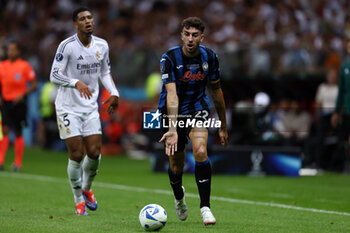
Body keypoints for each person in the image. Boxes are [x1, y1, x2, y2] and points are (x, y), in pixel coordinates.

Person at [158, 17, 228, 225]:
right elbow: (172, 95)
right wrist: (172, 128)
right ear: (181, 35)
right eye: (187, 34)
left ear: (201, 37)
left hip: (197, 108)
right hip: (173, 112)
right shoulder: (169, 58)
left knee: (200, 151)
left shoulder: (210, 57)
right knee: (177, 166)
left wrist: (223, 125)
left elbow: (216, 91)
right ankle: (179, 197)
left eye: (195, 35)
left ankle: (205, 207)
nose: (190, 38)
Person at [50, 7, 119, 216]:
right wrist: (75, 82)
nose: (88, 21)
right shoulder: (67, 46)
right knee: (77, 154)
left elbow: (105, 71)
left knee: (95, 153)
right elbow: (54, 75)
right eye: (82, 18)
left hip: (90, 107)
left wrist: (114, 91)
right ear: (75, 24)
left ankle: (87, 188)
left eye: (90, 17)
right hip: (67, 107)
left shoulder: (102, 45)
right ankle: (78, 199)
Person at [0, 41, 37, 171]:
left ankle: (17, 163)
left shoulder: (25, 66)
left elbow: (34, 84)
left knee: (17, 131)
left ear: (18, 52)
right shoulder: (2, 66)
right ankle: (1, 161)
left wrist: (23, 94)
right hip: (6, 102)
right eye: (9, 50)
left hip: (20, 103)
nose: (10, 52)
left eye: (13, 50)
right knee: (4, 130)